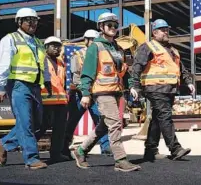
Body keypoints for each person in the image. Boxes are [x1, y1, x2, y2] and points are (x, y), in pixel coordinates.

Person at [72, 12, 141, 172]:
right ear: (101, 27)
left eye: (115, 25)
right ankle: (120, 159)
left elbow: (124, 71)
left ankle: (81, 150)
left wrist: (130, 85)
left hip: (116, 92)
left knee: (104, 125)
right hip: (101, 93)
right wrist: (86, 93)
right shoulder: (95, 47)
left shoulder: (118, 48)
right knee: (116, 123)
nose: (113, 28)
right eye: (109, 25)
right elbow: (87, 73)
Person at [130, 19, 195, 162]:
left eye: (167, 29)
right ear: (154, 32)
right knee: (165, 117)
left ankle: (150, 150)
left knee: (157, 120)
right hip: (154, 88)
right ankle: (175, 148)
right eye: (163, 30)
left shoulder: (173, 50)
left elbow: (181, 69)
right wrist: (134, 86)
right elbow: (136, 67)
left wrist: (189, 82)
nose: (166, 32)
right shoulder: (147, 47)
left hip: (170, 89)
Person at [0, 8, 49, 169]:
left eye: (35, 20)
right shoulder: (10, 39)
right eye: (28, 20)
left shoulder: (38, 42)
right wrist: (0, 86)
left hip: (35, 86)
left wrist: (47, 81)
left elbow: (43, 65)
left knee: (38, 123)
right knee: (25, 123)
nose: (32, 23)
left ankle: (4, 143)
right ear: (19, 22)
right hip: (18, 85)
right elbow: (3, 63)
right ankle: (31, 158)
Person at [62, 29, 111, 158]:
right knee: (73, 121)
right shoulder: (77, 55)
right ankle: (63, 147)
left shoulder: (100, 54)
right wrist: (84, 92)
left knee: (101, 120)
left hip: (95, 93)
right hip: (79, 94)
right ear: (86, 41)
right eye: (92, 40)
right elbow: (76, 76)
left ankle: (106, 147)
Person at [35, 36, 69, 163]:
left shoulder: (61, 63)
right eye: (53, 46)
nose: (56, 48)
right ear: (46, 48)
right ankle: (30, 151)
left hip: (61, 101)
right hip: (45, 101)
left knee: (60, 129)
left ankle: (56, 154)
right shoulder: (41, 60)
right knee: (41, 128)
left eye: (58, 46)